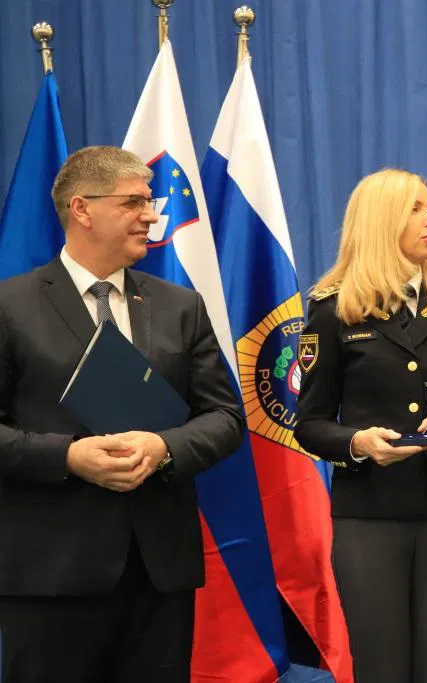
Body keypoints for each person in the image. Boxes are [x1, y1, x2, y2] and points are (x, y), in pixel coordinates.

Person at [0, 146, 245, 682]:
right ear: (82, 209)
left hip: (159, 577)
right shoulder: (10, 307)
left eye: (149, 201)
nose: (153, 214)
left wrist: (165, 448)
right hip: (50, 577)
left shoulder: (181, 306)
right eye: (135, 202)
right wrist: (68, 456)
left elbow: (226, 418)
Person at [295, 168, 427, 683]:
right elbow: (311, 424)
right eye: (415, 209)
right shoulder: (333, 310)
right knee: (381, 667)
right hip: (369, 515)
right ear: (380, 221)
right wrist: (358, 444)